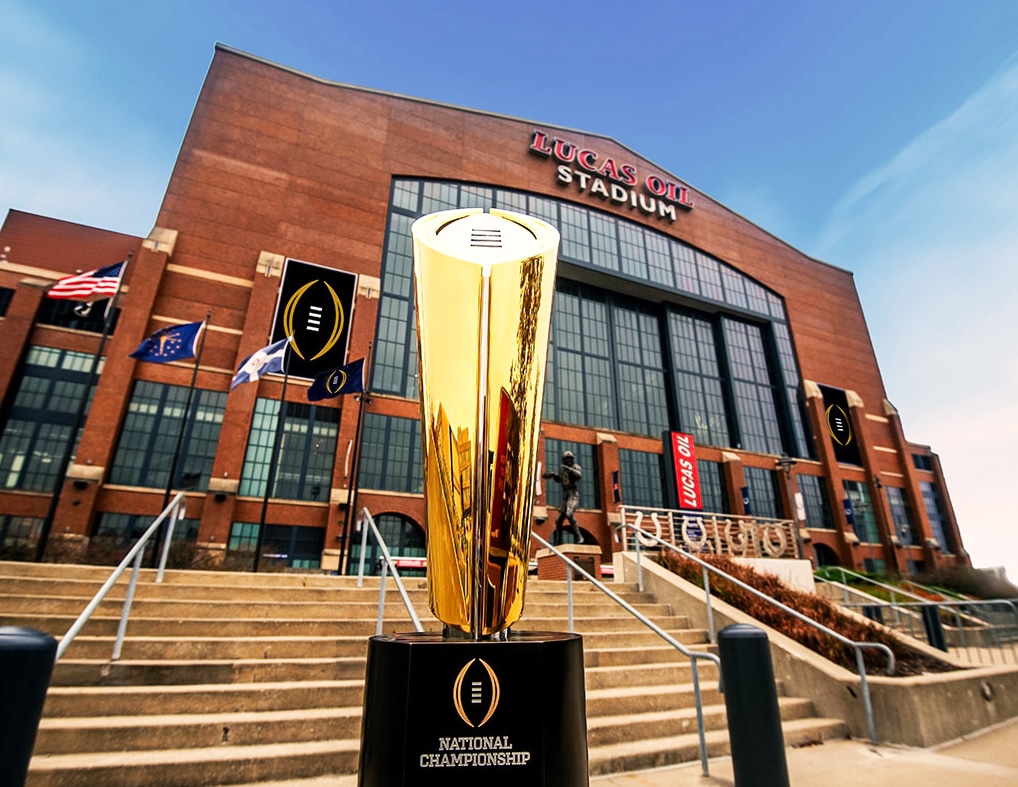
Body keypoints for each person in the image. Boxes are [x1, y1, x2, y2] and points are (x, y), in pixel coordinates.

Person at [543, 450, 584, 544]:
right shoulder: (562, 469)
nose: (569, 461)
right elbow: (560, 480)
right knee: (559, 521)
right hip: (566, 495)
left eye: (570, 459)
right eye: (567, 459)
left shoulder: (575, 467)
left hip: (573, 494)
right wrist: (553, 475)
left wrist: (570, 469)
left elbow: (578, 476)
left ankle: (579, 536)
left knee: (569, 514)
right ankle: (559, 541)